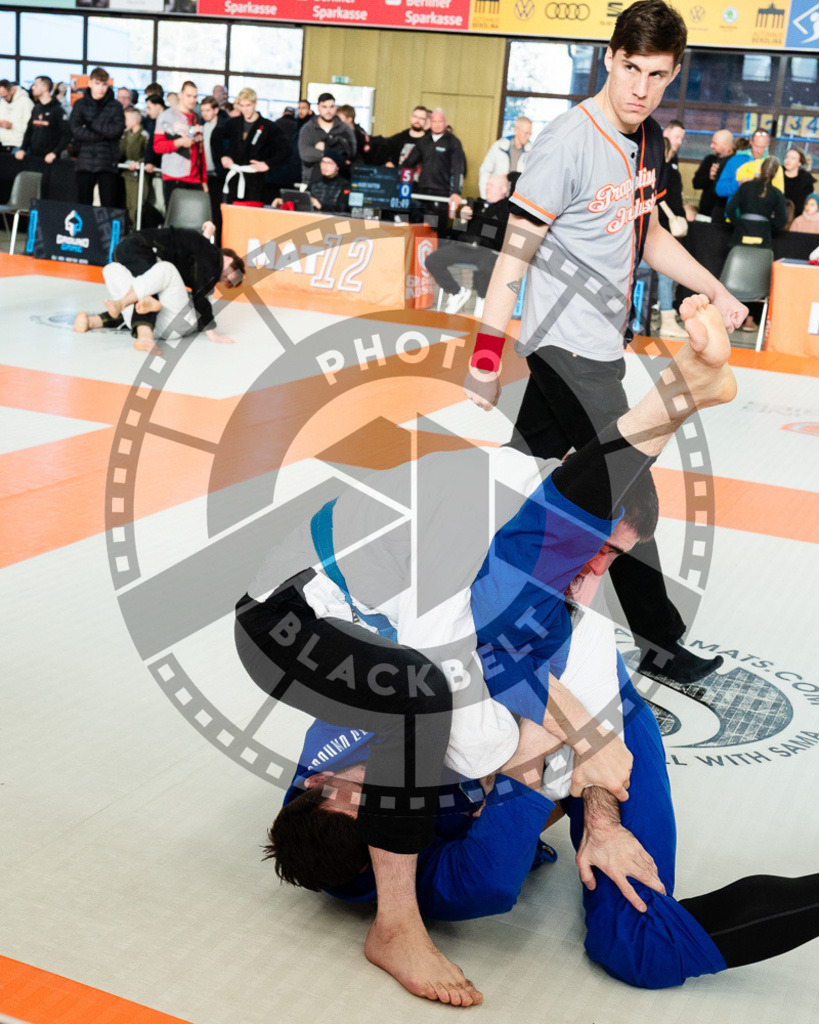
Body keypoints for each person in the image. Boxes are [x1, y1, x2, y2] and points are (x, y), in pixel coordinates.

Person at [238, 293, 741, 1003]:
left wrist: (592, 778)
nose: (592, 571)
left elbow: (564, 633)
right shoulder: (472, 540)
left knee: (487, 659)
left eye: (603, 560)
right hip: (285, 617)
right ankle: (395, 925)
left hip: (502, 675)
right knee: (431, 694)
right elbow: (455, 676)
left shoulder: (505, 522)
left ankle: (684, 388)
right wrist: (564, 758)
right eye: (592, 557)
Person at [461, 0, 748, 692]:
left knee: (522, 487)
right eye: (629, 69)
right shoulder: (567, 141)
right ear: (609, 59)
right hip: (565, 355)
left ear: (672, 74)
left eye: (656, 75)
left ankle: (475, 605)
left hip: (597, 350)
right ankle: (659, 640)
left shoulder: (649, 142)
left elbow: (646, 237)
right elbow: (512, 259)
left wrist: (718, 288)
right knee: (631, 503)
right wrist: (483, 359)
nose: (639, 88)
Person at [72, 223, 243, 352]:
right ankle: (94, 321)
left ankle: (124, 306)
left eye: (227, 281)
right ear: (228, 259)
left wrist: (211, 332)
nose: (223, 279)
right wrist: (212, 333)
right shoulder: (210, 261)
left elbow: (199, 270)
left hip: (177, 320)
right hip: (159, 322)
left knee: (160, 274)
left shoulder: (208, 269)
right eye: (228, 274)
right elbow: (199, 255)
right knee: (113, 270)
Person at [425, 173, 510, 315]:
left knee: (488, 266)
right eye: (487, 184)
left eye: (491, 185)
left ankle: (483, 300)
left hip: (488, 250)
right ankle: (456, 292)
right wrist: (463, 220)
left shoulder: (505, 209)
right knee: (432, 260)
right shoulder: (475, 205)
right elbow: (458, 232)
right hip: (464, 246)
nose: (487, 187)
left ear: (502, 189)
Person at [400, 108, 466, 235]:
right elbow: (408, 164)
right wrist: (398, 182)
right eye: (434, 121)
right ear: (429, 123)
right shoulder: (423, 141)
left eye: (440, 121)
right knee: (419, 230)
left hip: (441, 195)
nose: (436, 124)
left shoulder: (453, 142)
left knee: (434, 233)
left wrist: (456, 192)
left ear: (445, 123)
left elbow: (458, 169)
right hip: (422, 193)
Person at [68, 67, 125, 207]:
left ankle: (107, 230)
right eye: (98, 83)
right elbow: (75, 129)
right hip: (84, 161)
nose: (101, 88)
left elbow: (116, 131)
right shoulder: (80, 104)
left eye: (104, 84)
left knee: (109, 205)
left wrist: (90, 125)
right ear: (90, 83)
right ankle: (83, 230)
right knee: (83, 205)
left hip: (107, 161)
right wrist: (102, 135)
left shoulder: (116, 106)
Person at [219, 88, 286, 206]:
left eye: (248, 105)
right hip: (235, 178)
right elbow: (216, 139)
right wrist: (223, 156)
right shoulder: (232, 124)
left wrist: (268, 164)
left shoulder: (269, 127)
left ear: (255, 103)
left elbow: (284, 150)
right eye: (242, 106)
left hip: (256, 181)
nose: (245, 110)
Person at [655, 122, 687, 340]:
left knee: (666, 274)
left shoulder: (660, 169)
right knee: (667, 275)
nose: (679, 143)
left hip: (656, 228)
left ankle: (664, 313)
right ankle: (666, 317)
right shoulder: (667, 172)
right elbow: (667, 198)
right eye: (676, 137)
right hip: (662, 229)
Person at [153, 79, 207, 206]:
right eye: (189, 96)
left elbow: (201, 151)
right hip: (174, 176)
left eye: (195, 96)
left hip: (195, 178)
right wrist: (178, 143)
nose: (192, 100)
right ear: (181, 95)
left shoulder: (197, 118)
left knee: (196, 220)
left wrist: (203, 180)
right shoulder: (166, 116)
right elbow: (157, 147)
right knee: (175, 220)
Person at [298, 93, 356, 185]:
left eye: (331, 107)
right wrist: (335, 152)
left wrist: (325, 148)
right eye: (324, 107)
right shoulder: (308, 128)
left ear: (335, 108)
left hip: (339, 183)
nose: (328, 110)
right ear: (318, 108)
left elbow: (351, 153)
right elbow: (305, 154)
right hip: (311, 181)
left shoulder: (345, 129)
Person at [715, 128, 783, 206]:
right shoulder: (735, 161)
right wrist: (739, 184)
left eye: (763, 147)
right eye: (756, 146)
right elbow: (720, 189)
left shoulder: (772, 165)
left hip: (762, 214)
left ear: (768, 144)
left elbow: (779, 195)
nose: (759, 151)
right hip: (736, 214)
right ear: (751, 142)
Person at [14, 75, 68, 166]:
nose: (32, 87)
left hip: (50, 159)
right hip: (34, 156)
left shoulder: (58, 110)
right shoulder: (36, 108)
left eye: (35, 85)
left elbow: (66, 135)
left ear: (45, 88)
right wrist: (23, 149)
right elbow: (29, 131)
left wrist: (54, 153)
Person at [273, 148, 349, 212]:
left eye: (329, 163)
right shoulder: (315, 183)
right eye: (323, 162)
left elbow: (343, 208)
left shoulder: (344, 185)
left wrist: (320, 206)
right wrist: (284, 201)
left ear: (337, 167)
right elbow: (301, 201)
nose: (325, 166)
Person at [478, 116, 532, 199]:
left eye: (530, 134)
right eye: (525, 133)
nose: (528, 137)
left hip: (518, 200)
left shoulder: (532, 152)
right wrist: (485, 197)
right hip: (497, 198)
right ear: (516, 130)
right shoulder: (498, 146)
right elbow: (485, 171)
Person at [691, 129, 733, 219]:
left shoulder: (733, 162)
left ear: (725, 145)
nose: (711, 146)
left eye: (715, 143)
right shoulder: (709, 160)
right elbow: (696, 183)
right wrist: (709, 177)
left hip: (723, 214)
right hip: (705, 212)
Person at [119, 106, 147, 228]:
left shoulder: (144, 136)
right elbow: (121, 151)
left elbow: (148, 155)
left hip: (139, 175)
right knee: (128, 204)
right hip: (127, 174)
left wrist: (139, 163)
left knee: (136, 206)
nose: (125, 122)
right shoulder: (125, 134)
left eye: (127, 119)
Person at [0, 79, 34, 152]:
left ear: (11, 90)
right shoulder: (2, 103)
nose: (3, 98)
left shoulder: (26, 102)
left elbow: (31, 127)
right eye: (1, 96)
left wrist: (12, 126)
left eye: (5, 96)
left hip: (19, 145)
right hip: (3, 144)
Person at [782, 147, 816, 218]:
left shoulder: (805, 182)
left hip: (796, 218)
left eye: (793, 158)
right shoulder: (777, 175)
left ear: (799, 163)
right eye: (787, 157)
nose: (788, 160)